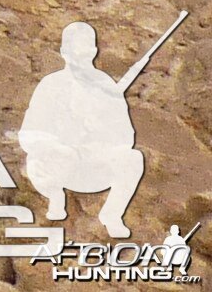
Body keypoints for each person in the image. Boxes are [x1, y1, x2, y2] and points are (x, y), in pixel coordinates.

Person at [15, 20, 147, 236]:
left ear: (94, 51)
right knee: (56, 159)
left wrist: (101, 131)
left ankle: (112, 215)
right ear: (64, 52)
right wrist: (56, 144)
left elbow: (125, 137)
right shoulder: (51, 85)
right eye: (75, 49)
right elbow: (29, 134)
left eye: (86, 48)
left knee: (132, 159)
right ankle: (55, 200)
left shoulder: (105, 86)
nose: (81, 55)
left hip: (91, 165)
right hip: (55, 164)